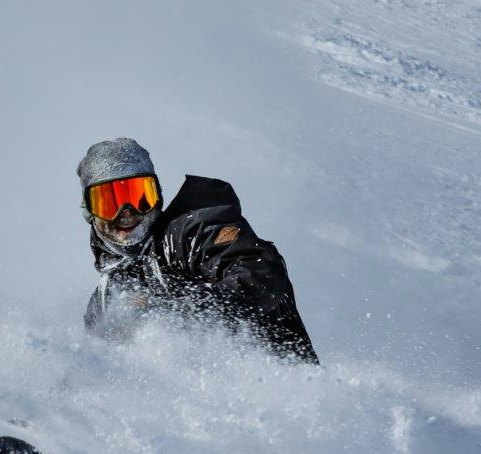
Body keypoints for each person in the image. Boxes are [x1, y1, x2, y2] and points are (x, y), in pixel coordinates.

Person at [77, 137, 318, 363]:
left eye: (139, 196)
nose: (127, 211)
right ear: (89, 212)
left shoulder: (194, 232)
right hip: (185, 404)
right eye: (109, 202)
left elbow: (260, 273)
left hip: (277, 388)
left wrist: (179, 310)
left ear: (157, 196)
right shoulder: (106, 298)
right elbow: (94, 372)